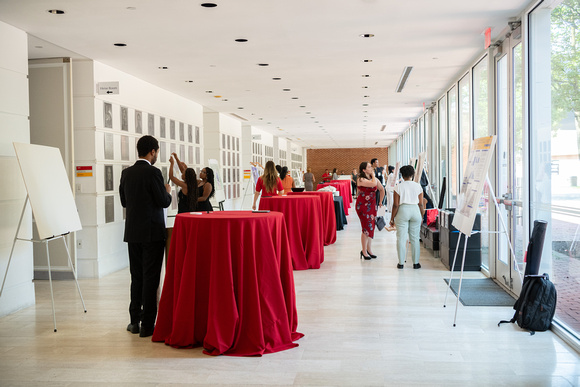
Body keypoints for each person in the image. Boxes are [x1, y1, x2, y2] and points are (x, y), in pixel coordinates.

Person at [119, 135, 172, 337]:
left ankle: (134, 321)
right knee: (151, 279)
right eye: (156, 152)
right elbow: (163, 201)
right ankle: (148, 325)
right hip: (152, 233)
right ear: (152, 152)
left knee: (137, 277)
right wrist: (167, 192)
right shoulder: (154, 173)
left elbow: (124, 202)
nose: (156, 155)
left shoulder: (126, 173)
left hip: (132, 233)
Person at [389, 165, 425, 269]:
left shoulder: (398, 187)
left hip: (403, 211)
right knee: (415, 239)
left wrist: (392, 218)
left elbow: (395, 205)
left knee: (401, 238)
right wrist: (421, 215)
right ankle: (416, 263)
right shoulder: (418, 186)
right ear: (412, 175)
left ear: (402, 175)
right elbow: (421, 204)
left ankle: (401, 263)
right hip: (415, 211)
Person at [355, 161, 385, 260]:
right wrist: (373, 175)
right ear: (364, 170)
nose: (371, 168)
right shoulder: (360, 179)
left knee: (371, 228)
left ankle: (369, 249)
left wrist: (380, 201)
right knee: (366, 228)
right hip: (362, 206)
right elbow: (373, 184)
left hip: (372, 207)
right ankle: (364, 251)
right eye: (369, 167)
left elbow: (382, 189)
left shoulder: (373, 179)